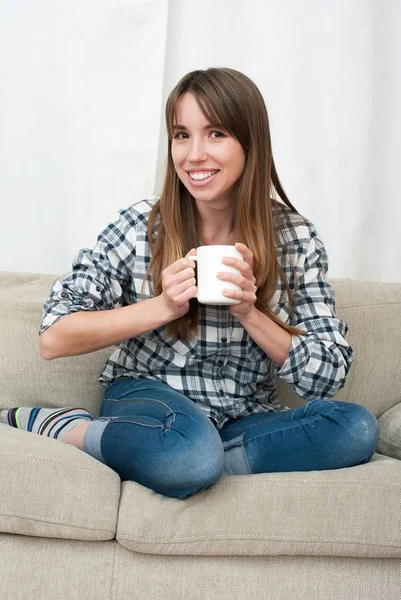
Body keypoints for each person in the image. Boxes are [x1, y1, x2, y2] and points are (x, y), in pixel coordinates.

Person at [0, 67, 380, 500]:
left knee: (354, 428)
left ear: (249, 142)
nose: (194, 154)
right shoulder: (140, 227)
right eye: (182, 135)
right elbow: (54, 338)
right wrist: (162, 307)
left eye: (215, 134)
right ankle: (70, 428)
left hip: (243, 414)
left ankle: (189, 462)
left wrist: (251, 314)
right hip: (151, 398)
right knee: (187, 451)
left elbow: (328, 375)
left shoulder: (294, 239)